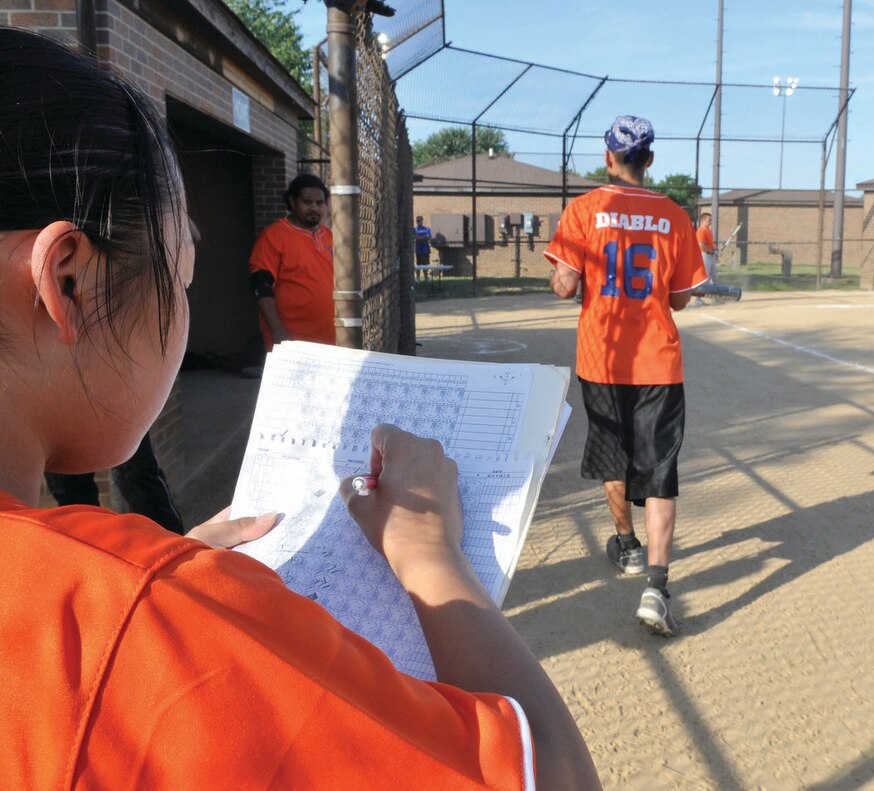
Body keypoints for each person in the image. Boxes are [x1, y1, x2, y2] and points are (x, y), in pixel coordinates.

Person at [0, 28, 599, 789]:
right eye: (181, 275)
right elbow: (558, 777)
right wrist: (426, 551)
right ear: (68, 282)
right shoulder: (128, 623)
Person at [544, 115, 707, 637]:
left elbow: (564, 287)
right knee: (660, 470)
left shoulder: (585, 209)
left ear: (607, 157)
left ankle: (628, 546)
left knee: (613, 454)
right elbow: (680, 298)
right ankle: (657, 588)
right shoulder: (676, 216)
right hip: (658, 360)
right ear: (650, 160)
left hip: (602, 358)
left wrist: (563, 270)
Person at [248, 173, 335, 351]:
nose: (314, 208)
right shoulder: (273, 236)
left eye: (319, 203)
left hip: (329, 341)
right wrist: (277, 329)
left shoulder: (329, 236)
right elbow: (261, 285)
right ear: (292, 201)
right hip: (291, 340)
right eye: (307, 202)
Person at [45, 433, 184, 534]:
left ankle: (175, 552)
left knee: (137, 476)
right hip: (53, 401)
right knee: (70, 489)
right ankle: (93, 558)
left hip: (114, 398)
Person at [696, 212, 717, 284]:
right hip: (704, 255)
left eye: (711, 220)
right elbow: (701, 245)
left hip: (711, 255)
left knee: (715, 277)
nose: (711, 222)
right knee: (705, 276)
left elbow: (710, 244)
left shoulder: (708, 230)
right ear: (703, 220)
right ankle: (699, 294)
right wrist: (712, 250)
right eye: (709, 220)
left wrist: (714, 249)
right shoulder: (701, 230)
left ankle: (711, 291)